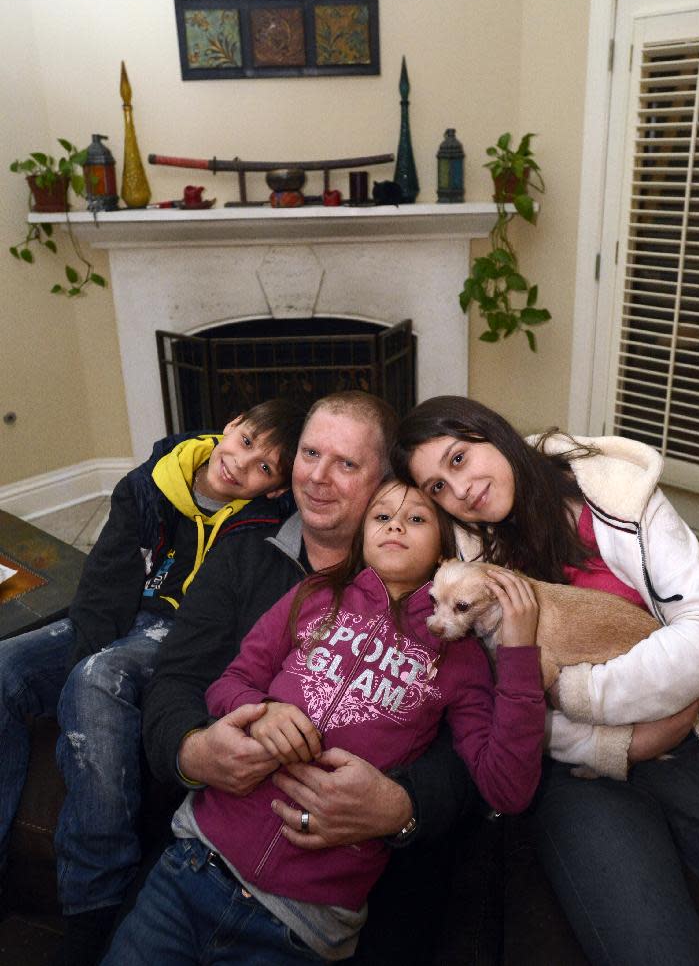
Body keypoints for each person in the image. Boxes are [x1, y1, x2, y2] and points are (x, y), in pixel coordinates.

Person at [103, 477, 546, 964]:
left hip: (303, 925)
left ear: (447, 552)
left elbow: (507, 787)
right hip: (192, 866)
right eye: (381, 516)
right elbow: (230, 682)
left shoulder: (460, 659)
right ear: (361, 533)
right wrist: (260, 712)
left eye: (416, 519)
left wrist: (521, 653)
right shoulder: (312, 595)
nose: (395, 524)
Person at [392, 396, 699, 964]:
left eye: (459, 459)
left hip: (690, 742)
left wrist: (573, 690)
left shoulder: (619, 498)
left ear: (494, 433)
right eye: (436, 486)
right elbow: (489, 715)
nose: (457, 491)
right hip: (572, 771)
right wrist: (615, 745)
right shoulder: (461, 568)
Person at [141, 391, 485, 965]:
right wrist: (193, 751)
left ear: (385, 481)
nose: (319, 478)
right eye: (308, 454)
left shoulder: (443, 609)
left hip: (328, 903)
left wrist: (402, 807)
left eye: (347, 464)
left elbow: (471, 755)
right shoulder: (244, 556)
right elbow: (175, 679)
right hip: (202, 856)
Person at [0, 398, 305, 966]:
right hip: (117, 617)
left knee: (101, 676)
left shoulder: (259, 524)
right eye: (244, 443)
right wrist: (80, 670)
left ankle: (94, 901)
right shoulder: (147, 486)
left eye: (266, 467)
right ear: (230, 426)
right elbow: (103, 587)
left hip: (176, 633)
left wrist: (93, 676)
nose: (243, 464)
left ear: (274, 489)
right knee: (10, 668)